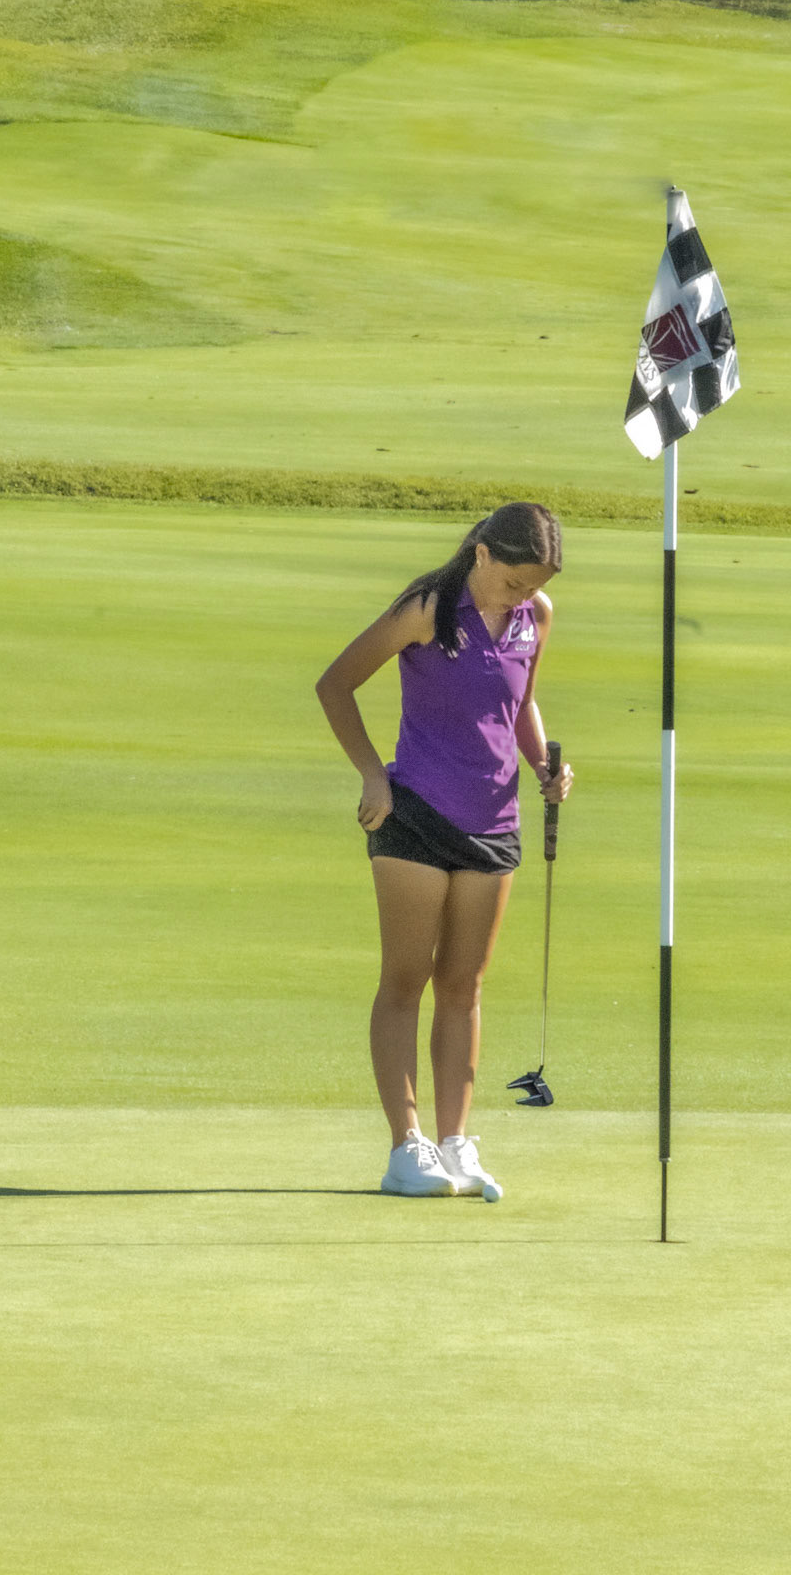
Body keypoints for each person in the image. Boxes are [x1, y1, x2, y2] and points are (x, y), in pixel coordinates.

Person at [316, 502, 573, 1201]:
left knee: (464, 986)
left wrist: (543, 767)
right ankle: (407, 1149)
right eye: (514, 581)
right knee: (407, 980)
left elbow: (518, 705)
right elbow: (335, 684)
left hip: (495, 822)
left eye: (534, 586)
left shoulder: (534, 616)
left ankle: (456, 1146)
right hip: (416, 814)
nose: (522, 597)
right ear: (484, 554)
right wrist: (373, 774)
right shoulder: (428, 607)